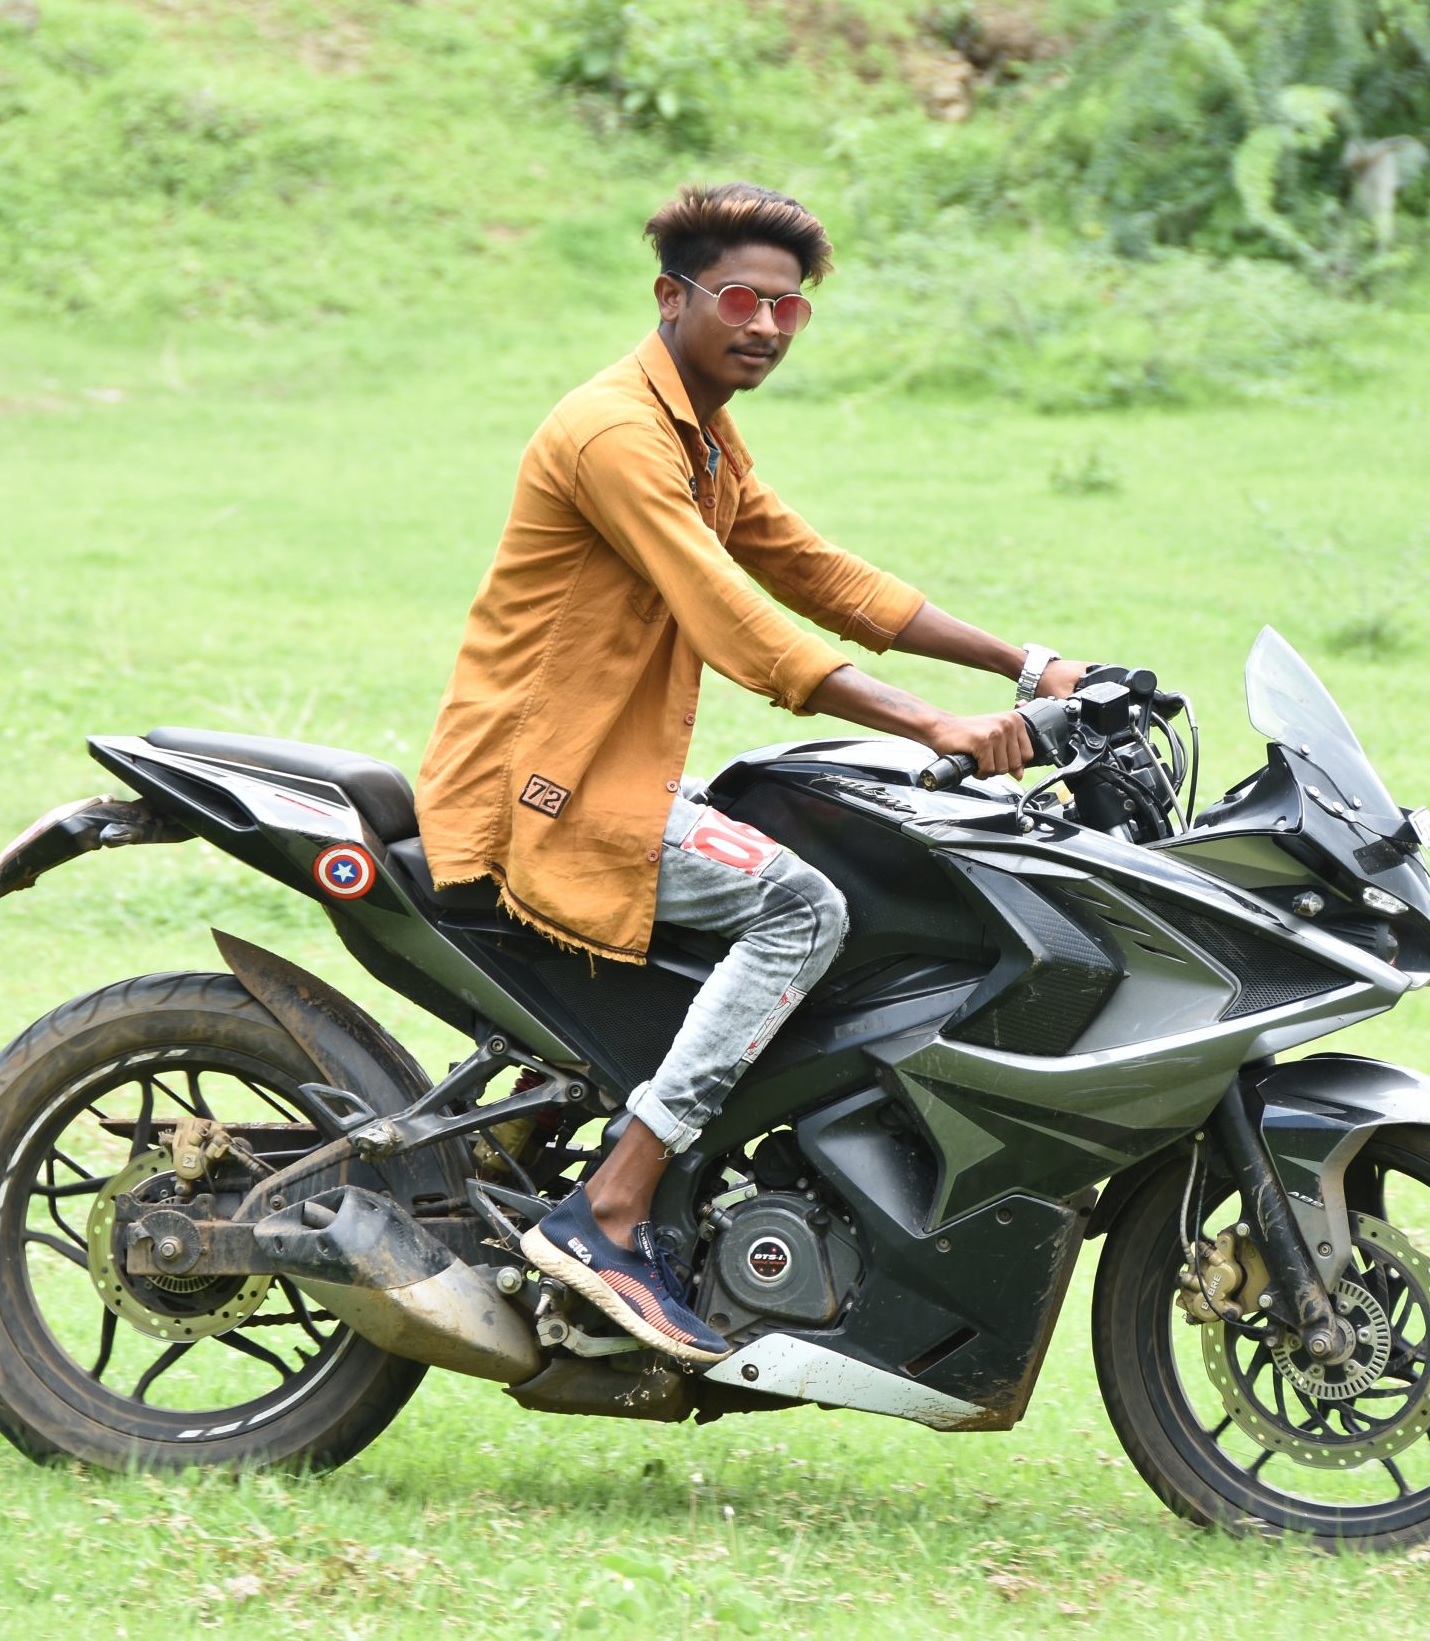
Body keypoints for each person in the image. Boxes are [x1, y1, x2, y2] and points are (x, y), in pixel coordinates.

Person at [413, 183, 1086, 1364]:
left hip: (609, 766)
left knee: (825, 834)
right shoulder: (620, 433)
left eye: (790, 307)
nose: (767, 325)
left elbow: (811, 569)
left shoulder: (700, 431)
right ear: (672, 298)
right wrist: (932, 723)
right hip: (543, 789)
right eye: (740, 298)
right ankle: (612, 1207)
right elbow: (736, 621)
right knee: (797, 904)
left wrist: (1026, 662)